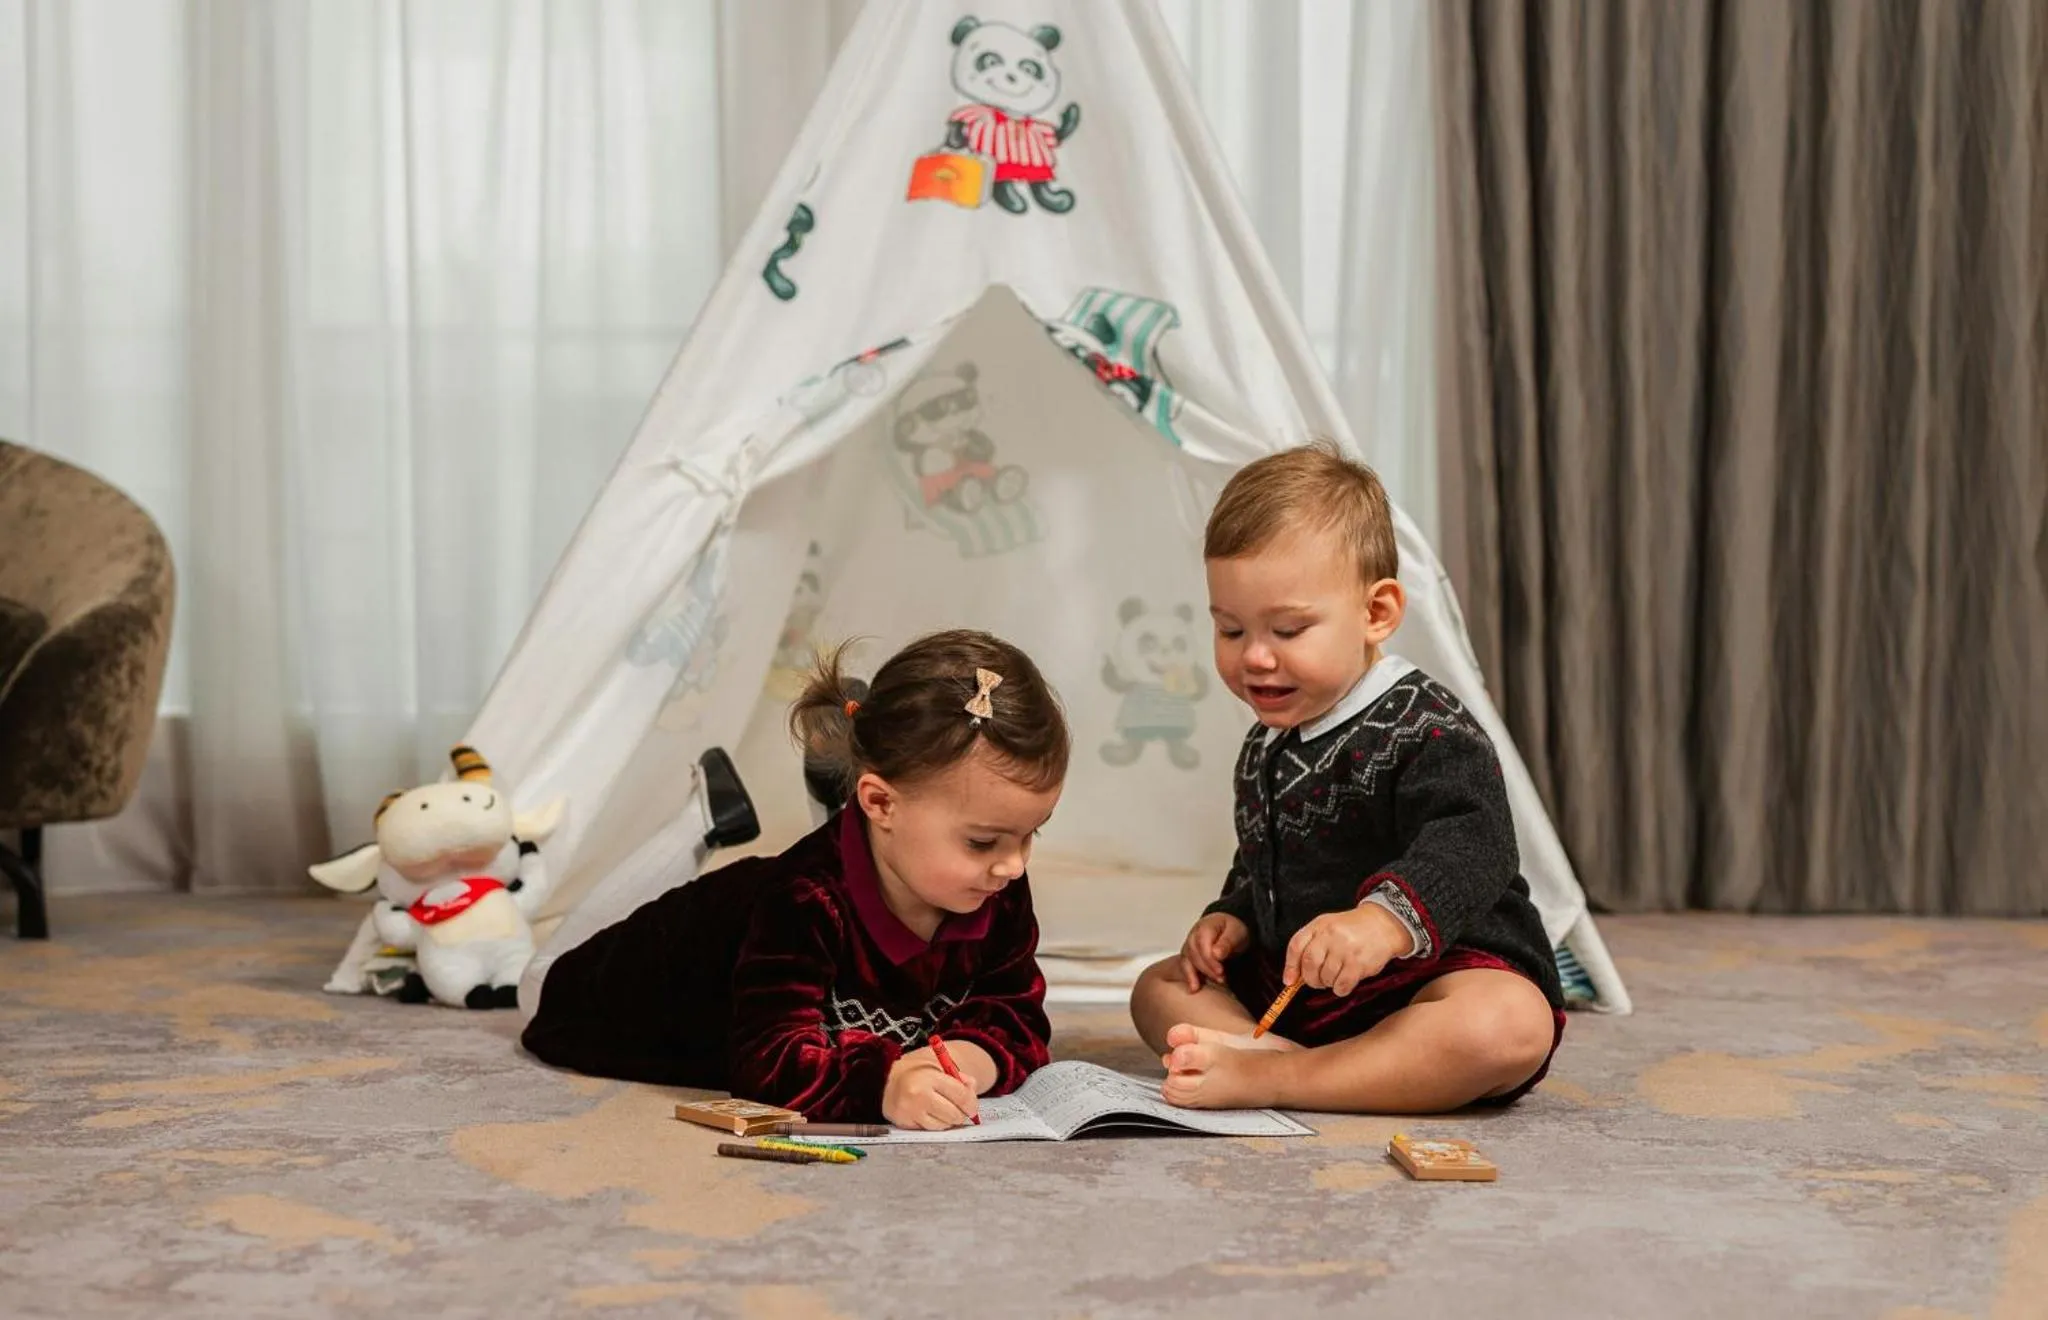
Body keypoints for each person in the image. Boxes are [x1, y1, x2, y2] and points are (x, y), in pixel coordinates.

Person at [1128, 442, 1566, 1113]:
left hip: (1426, 979)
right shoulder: (1264, 745)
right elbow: (1267, 863)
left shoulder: (1427, 727)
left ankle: (1273, 1077)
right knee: (1159, 987)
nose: (1256, 657)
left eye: (1288, 628)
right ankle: (1306, 1060)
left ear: (1377, 613)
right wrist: (1234, 918)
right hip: (1305, 993)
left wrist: (1382, 924)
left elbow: (1476, 846)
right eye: (1231, 629)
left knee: (1509, 1025)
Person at [521, 629, 1068, 1130]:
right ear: (880, 801)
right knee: (542, 974)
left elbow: (1015, 1013)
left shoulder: (997, 886)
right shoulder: (803, 900)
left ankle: (832, 792)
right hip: (591, 995)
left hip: (824, 871)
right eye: (982, 842)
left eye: (1030, 835)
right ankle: (699, 824)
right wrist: (882, 1084)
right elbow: (765, 1061)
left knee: (870, 858)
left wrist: (966, 1060)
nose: (1013, 865)